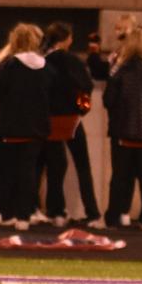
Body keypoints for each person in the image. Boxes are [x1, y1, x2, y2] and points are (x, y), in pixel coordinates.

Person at [0, 23, 50, 230]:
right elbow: (52, 96)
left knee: (2, 171)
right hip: (36, 129)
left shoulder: (8, 66)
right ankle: (23, 217)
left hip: (9, 128)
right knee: (28, 173)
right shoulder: (46, 67)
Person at [99, 27, 142, 231]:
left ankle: (114, 217)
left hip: (123, 131)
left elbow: (108, 100)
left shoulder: (119, 71)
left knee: (120, 175)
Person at [39, 21, 99, 227]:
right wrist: (82, 110)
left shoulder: (43, 61)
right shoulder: (72, 61)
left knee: (56, 167)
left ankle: (57, 212)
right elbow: (85, 88)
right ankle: (93, 213)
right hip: (72, 120)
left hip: (50, 119)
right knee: (83, 166)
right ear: (67, 39)